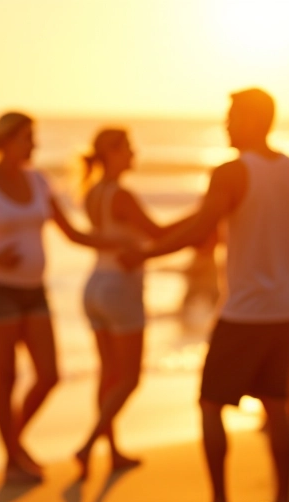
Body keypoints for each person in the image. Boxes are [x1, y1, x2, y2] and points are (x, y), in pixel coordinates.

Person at [122, 89, 289, 502]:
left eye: (231, 116)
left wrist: (145, 254)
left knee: (210, 404)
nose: (225, 124)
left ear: (252, 119)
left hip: (245, 312)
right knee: (277, 405)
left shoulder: (230, 173)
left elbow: (200, 231)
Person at [0, 112, 115, 484]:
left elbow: (72, 232)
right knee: (6, 377)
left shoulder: (40, 181)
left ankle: (14, 444)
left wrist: (115, 242)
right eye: (27, 138)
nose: (34, 145)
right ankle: (11, 459)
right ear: (5, 141)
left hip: (34, 290)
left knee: (49, 375)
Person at [71, 128, 184, 479]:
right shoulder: (122, 195)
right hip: (120, 289)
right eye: (128, 148)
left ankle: (113, 449)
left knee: (108, 374)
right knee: (130, 378)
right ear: (113, 152)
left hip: (94, 286)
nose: (134, 153)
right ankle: (89, 445)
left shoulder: (92, 193)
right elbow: (159, 234)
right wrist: (203, 218)